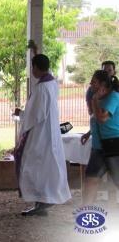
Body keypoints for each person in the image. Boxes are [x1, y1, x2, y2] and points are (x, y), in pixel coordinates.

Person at [13, 54, 71, 216]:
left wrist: (21, 114)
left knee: (32, 165)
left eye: (33, 67)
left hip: (39, 134)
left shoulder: (41, 88)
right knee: (46, 166)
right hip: (49, 132)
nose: (32, 71)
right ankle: (43, 200)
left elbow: (35, 115)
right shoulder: (52, 83)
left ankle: (41, 199)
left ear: (37, 68)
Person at [81, 70, 119, 204]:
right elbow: (96, 122)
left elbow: (102, 118)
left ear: (103, 84)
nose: (91, 84)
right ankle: (85, 213)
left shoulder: (114, 97)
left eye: (94, 82)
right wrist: (89, 133)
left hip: (114, 145)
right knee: (91, 179)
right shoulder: (98, 97)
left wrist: (95, 101)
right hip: (98, 147)